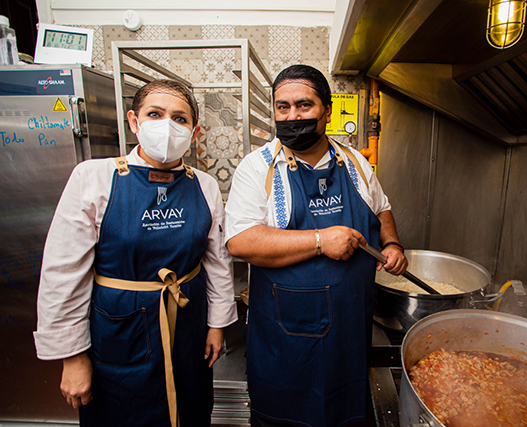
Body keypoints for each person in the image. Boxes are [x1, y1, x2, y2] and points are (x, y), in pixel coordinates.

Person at [33, 79, 238, 427]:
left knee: (189, 410)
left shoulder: (203, 185)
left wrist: (217, 325)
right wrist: (72, 357)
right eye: (155, 114)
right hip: (118, 333)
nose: (167, 125)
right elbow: (62, 274)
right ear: (133, 121)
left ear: (194, 130)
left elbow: (217, 262)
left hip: (186, 328)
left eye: (180, 118)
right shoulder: (94, 178)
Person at [225, 64, 408, 427]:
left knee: (344, 414)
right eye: (283, 107)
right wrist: (322, 240)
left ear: (326, 110)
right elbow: (241, 241)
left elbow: (382, 207)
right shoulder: (258, 168)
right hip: (286, 339)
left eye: (304, 105)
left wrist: (392, 243)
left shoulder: (355, 162)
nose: (292, 116)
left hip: (348, 331)